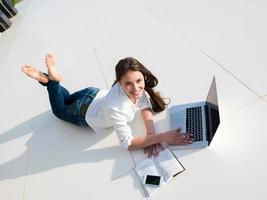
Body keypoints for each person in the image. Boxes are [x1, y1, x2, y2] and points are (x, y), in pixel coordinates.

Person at [21, 54, 193, 157]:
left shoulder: (136, 89)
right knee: (59, 110)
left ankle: (51, 81)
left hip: (92, 94)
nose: (136, 88)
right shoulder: (115, 107)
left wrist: (151, 134)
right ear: (119, 82)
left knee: (65, 99)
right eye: (128, 84)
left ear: (142, 75)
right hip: (83, 112)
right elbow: (128, 144)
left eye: (139, 81)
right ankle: (52, 82)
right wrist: (162, 137)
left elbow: (145, 105)